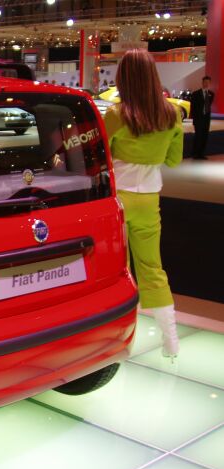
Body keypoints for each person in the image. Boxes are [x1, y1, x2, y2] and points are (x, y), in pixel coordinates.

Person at [103, 48, 183, 360]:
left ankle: (118, 339)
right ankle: (171, 340)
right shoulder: (172, 114)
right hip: (150, 200)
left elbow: (102, 158)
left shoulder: (115, 114)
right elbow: (173, 161)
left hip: (117, 203)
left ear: (124, 78)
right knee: (152, 268)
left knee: (116, 270)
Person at [190, 75, 215, 159]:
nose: (206, 84)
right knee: (198, 136)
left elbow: (208, 106)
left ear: (210, 83)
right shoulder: (196, 94)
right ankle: (195, 153)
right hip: (198, 119)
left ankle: (201, 153)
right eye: (205, 82)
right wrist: (194, 120)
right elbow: (193, 107)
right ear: (202, 82)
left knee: (205, 136)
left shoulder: (211, 94)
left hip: (206, 119)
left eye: (208, 82)